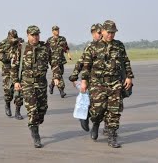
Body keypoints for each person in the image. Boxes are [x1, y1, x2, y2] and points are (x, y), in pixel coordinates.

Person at [80, 20, 134, 148]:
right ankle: (94, 121)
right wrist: (84, 81)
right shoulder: (93, 46)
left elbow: (126, 62)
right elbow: (86, 66)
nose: (111, 35)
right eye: (109, 32)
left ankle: (112, 136)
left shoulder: (119, 46)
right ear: (102, 31)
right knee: (98, 110)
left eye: (113, 32)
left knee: (114, 111)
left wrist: (129, 77)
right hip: (97, 83)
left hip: (115, 83)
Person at [11, 25, 61, 148]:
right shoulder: (21, 48)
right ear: (28, 35)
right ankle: (36, 135)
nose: (35, 37)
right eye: (33, 35)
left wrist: (56, 76)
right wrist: (16, 81)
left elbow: (54, 62)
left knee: (42, 109)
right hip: (27, 84)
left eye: (37, 35)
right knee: (32, 110)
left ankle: (37, 122)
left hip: (41, 83)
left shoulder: (45, 47)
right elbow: (14, 66)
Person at [69, 23, 102, 132]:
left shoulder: (109, 46)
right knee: (94, 103)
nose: (101, 34)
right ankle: (85, 116)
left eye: (102, 32)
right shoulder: (90, 47)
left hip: (107, 80)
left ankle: (107, 128)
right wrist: (74, 76)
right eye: (98, 33)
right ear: (93, 34)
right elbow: (81, 62)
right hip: (93, 79)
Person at [0, 29, 24, 119]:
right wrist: (10, 56)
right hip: (7, 70)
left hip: (18, 70)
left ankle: (17, 112)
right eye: (12, 38)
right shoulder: (3, 43)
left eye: (15, 38)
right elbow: (0, 56)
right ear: (8, 37)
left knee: (19, 92)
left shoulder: (21, 41)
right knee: (8, 91)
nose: (14, 40)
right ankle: (7, 105)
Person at [47, 25, 71, 98]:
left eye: (57, 30)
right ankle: (61, 91)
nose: (57, 31)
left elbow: (66, 48)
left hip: (61, 60)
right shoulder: (49, 40)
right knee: (58, 75)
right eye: (55, 30)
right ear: (52, 31)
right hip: (53, 61)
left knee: (59, 74)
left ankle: (52, 84)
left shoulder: (62, 39)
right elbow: (46, 50)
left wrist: (69, 55)